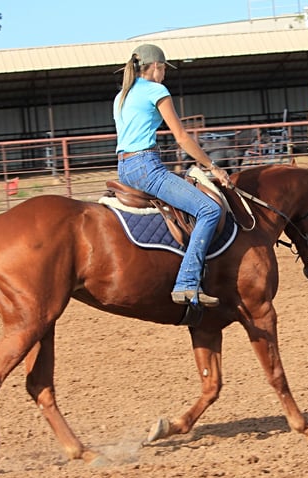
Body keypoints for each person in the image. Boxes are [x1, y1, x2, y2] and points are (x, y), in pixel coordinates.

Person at [113, 44, 232, 308]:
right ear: (155, 66)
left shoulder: (122, 94)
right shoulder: (157, 90)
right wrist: (213, 167)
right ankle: (188, 283)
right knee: (209, 209)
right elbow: (181, 137)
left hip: (125, 167)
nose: (165, 73)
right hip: (146, 166)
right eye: (164, 67)